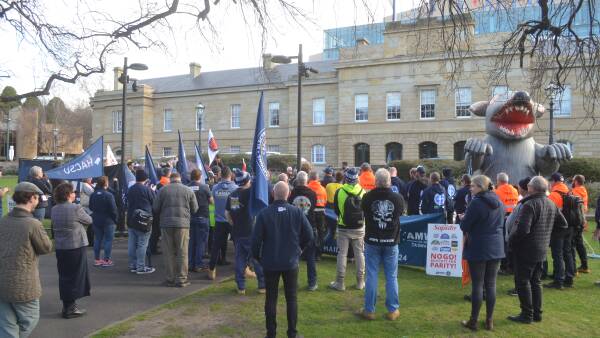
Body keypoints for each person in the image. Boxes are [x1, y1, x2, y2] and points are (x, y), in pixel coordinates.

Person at [251, 182, 313, 338]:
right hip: (290, 262)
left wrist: (258, 257)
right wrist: (299, 249)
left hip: (271, 261)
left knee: (271, 298)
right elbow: (310, 235)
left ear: (273, 193)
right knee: (291, 298)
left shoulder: (264, 214)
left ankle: (271, 334)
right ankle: (292, 333)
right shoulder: (296, 212)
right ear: (288, 194)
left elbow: (255, 241)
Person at [508, 176, 568, 324]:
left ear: (531, 188)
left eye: (528, 186)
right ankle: (536, 314)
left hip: (526, 249)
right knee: (536, 281)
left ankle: (527, 314)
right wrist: (547, 236)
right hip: (540, 249)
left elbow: (523, 229)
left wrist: (511, 242)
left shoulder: (530, 204)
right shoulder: (550, 203)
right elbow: (563, 224)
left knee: (523, 281)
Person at [0, 182, 52, 337]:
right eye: (37, 198)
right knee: (30, 318)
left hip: (2, 280)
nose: (38, 201)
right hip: (24, 283)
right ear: (32, 198)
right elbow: (46, 247)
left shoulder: (3, 220)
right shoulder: (33, 224)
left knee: (6, 324)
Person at [459, 175, 505, 331]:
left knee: (478, 284)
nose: (470, 189)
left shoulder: (476, 203)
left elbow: (464, 226)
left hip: (479, 246)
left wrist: (463, 219)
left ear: (480, 187)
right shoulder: (499, 201)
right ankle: (489, 320)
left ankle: (474, 321)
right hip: (496, 246)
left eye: (472, 186)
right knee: (491, 284)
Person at [358, 168, 404, 321]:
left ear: (375, 181)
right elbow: (399, 215)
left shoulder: (367, 197)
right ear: (389, 181)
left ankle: (369, 310)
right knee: (391, 276)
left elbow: (364, 213)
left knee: (371, 275)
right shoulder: (398, 198)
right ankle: (393, 310)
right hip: (391, 242)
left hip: (373, 241)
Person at [51, 182, 93, 319]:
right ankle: (70, 309)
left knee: (64, 277)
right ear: (68, 195)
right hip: (75, 246)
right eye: (73, 192)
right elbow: (89, 220)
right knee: (76, 277)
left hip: (61, 247)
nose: (75, 194)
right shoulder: (75, 208)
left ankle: (67, 306)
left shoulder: (54, 209)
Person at [153, 173, 199, 287]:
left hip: (166, 224)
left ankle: (170, 279)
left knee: (169, 252)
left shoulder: (163, 190)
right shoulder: (188, 190)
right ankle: (182, 279)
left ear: (170, 179)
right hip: (183, 225)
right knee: (182, 252)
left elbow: (155, 208)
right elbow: (195, 209)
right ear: (180, 179)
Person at [226, 170, 265, 294]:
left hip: (238, 232)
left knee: (240, 259)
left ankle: (241, 287)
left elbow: (228, 213)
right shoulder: (251, 193)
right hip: (251, 232)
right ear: (248, 180)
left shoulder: (233, 195)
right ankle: (262, 286)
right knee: (257, 259)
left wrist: (233, 223)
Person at [330, 167, 366, 291]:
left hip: (343, 227)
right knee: (359, 254)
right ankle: (360, 282)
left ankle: (340, 282)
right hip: (359, 228)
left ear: (346, 179)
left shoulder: (339, 192)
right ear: (357, 179)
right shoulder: (363, 192)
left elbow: (336, 211)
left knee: (342, 254)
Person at [288, 171, 318, 290]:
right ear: (307, 181)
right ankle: (312, 283)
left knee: (294, 257)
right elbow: (313, 207)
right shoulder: (312, 193)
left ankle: (293, 282)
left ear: (297, 180)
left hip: (295, 228)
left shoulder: (292, 193)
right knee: (310, 257)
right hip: (309, 227)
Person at [545, 173, 575, 289]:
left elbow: (550, 214)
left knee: (557, 254)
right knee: (567, 252)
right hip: (570, 226)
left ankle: (558, 280)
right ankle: (569, 278)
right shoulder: (569, 192)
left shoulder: (554, 195)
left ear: (553, 181)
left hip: (558, 228)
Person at [208, 166, 237, 279]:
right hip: (230, 221)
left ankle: (211, 269)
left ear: (221, 175)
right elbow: (235, 207)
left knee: (216, 246)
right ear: (230, 175)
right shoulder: (235, 188)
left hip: (218, 220)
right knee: (237, 245)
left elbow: (212, 203)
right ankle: (241, 268)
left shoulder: (215, 188)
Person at [504, 177, 531, 296]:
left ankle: (519, 289)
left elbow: (520, 225)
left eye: (519, 187)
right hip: (531, 242)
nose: (518, 188)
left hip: (521, 241)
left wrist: (512, 239)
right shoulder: (526, 201)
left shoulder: (525, 203)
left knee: (520, 269)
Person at [126, 169, 156, 274]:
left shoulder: (130, 189)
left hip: (131, 219)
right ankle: (140, 267)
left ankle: (133, 265)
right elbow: (154, 203)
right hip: (144, 220)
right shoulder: (148, 190)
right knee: (142, 244)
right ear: (146, 179)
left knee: (132, 243)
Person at [89, 176, 118, 268]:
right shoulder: (109, 195)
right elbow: (113, 210)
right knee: (108, 240)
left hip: (96, 219)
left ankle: (97, 260)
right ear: (106, 183)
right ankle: (106, 260)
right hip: (108, 220)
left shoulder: (93, 194)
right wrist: (115, 219)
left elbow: (90, 207)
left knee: (97, 239)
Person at [188, 168, 213, 273]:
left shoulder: (187, 187)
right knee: (201, 242)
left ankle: (190, 264)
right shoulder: (205, 187)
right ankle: (198, 264)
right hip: (203, 217)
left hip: (190, 217)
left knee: (192, 241)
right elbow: (212, 202)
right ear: (200, 177)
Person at [571, 175, 590, 273]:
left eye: (573, 181)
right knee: (579, 244)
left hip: (576, 220)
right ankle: (584, 266)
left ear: (577, 181)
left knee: (572, 244)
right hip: (582, 219)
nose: (572, 182)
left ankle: (573, 269)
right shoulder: (584, 190)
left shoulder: (575, 191)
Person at [307, 170, 328, 261]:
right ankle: (319, 254)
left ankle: (309, 252)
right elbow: (325, 201)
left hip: (310, 212)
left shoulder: (307, 188)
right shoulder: (323, 189)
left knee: (310, 232)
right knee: (321, 233)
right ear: (317, 178)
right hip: (321, 212)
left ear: (310, 178)